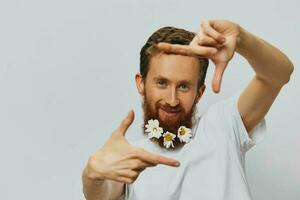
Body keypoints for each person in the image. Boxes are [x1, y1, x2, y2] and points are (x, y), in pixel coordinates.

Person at [82, 20, 294, 200]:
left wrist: (242, 39)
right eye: (162, 83)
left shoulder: (223, 125)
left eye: (184, 86)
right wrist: (93, 174)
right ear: (141, 83)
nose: (172, 100)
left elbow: (279, 74)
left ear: (199, 92)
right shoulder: (130, 158)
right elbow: (101, 194)